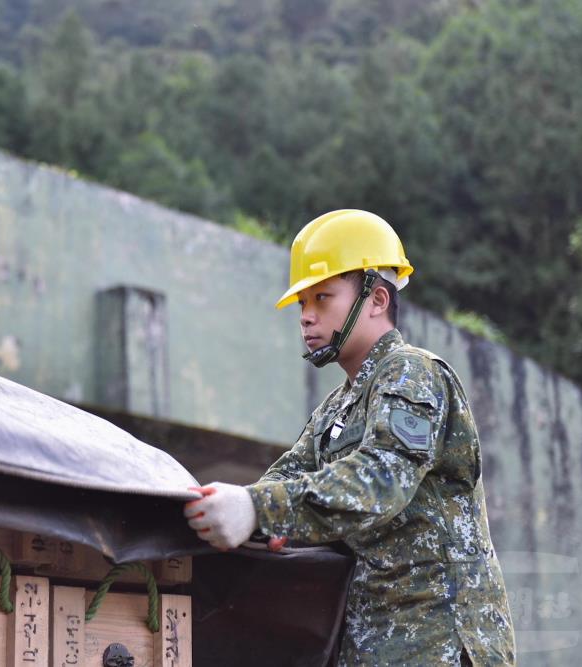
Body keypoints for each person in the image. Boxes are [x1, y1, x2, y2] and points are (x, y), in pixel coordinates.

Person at [184, 210, 515, 666]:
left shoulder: (413, 374)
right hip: (374, 646)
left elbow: (381, 481)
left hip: (437, 644)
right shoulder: (337, 409)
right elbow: (281, 480)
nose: (306, 316)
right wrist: (228, 507)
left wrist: (259, 510)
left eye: (322, 297)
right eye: (302, 303)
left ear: (377, 299)